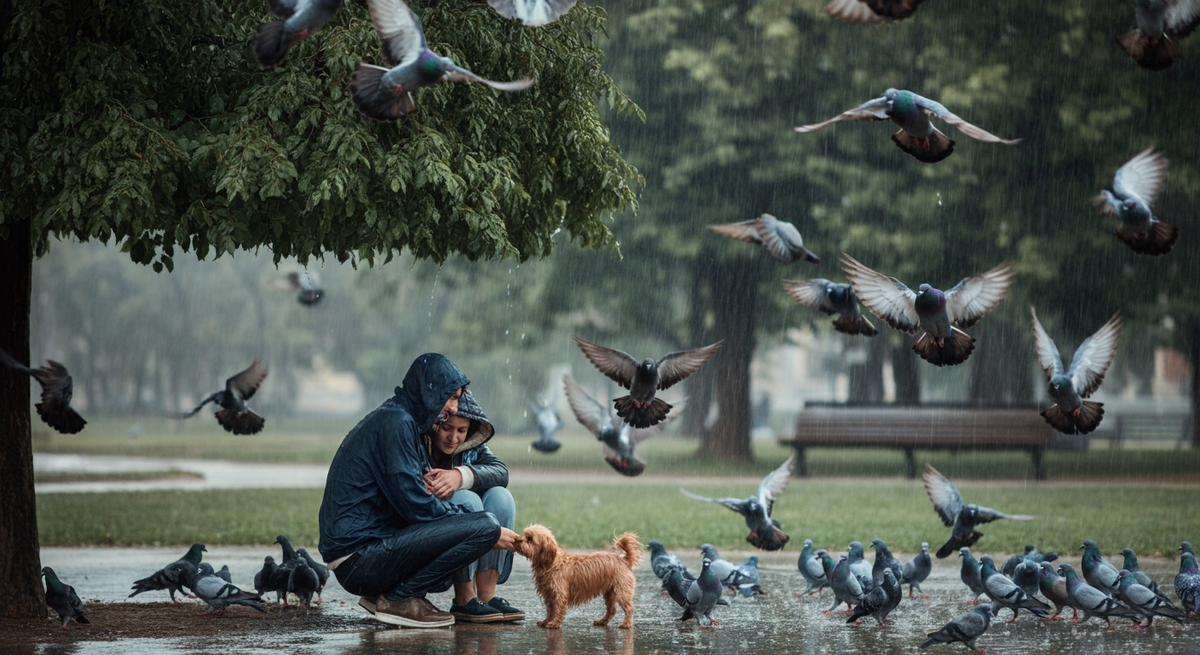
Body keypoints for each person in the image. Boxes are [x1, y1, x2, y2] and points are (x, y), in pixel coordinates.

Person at [318, 353, 521, 628]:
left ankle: (398, 595)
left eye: (457, 398)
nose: (453, 406)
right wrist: (483, 530)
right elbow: (418, 506)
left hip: (365, 552)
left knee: (482, 519)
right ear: (430, 391)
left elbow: (414, 500)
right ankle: (399, 598)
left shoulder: (402, 420)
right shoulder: (396, 424)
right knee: (483, 525)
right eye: (451, 397)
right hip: (358, 560)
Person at [423, 391, 523, 623]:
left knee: (501, 497)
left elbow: (500, 471)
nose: (454, 438)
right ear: (435, 424)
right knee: (469, 501)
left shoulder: (471, 447)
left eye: (462, 430)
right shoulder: (421, 444)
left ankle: (487, 597)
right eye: (447, 428)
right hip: (436, 527)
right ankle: (464, 597)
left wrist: (460, 475)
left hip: (467, 513)